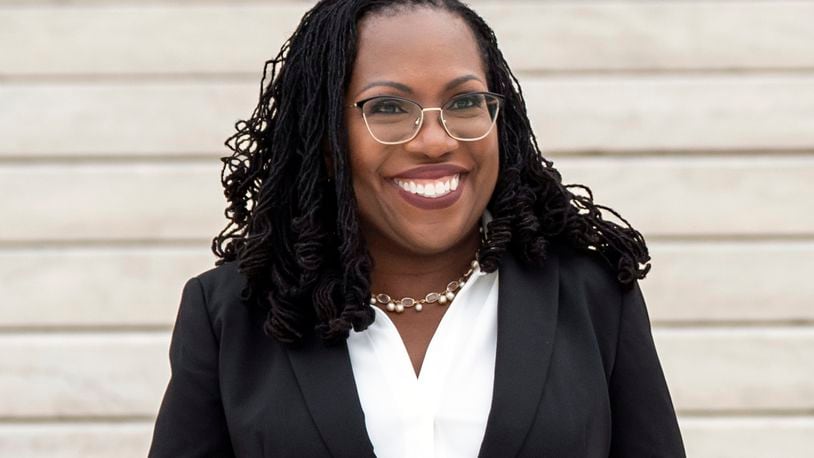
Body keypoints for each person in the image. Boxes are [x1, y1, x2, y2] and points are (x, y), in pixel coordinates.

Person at [149, 0, 686, 456]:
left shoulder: (592, 300)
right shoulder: (232, 315)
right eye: (388, 108)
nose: (434, 140)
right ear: (326, 138)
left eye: (465, 102)